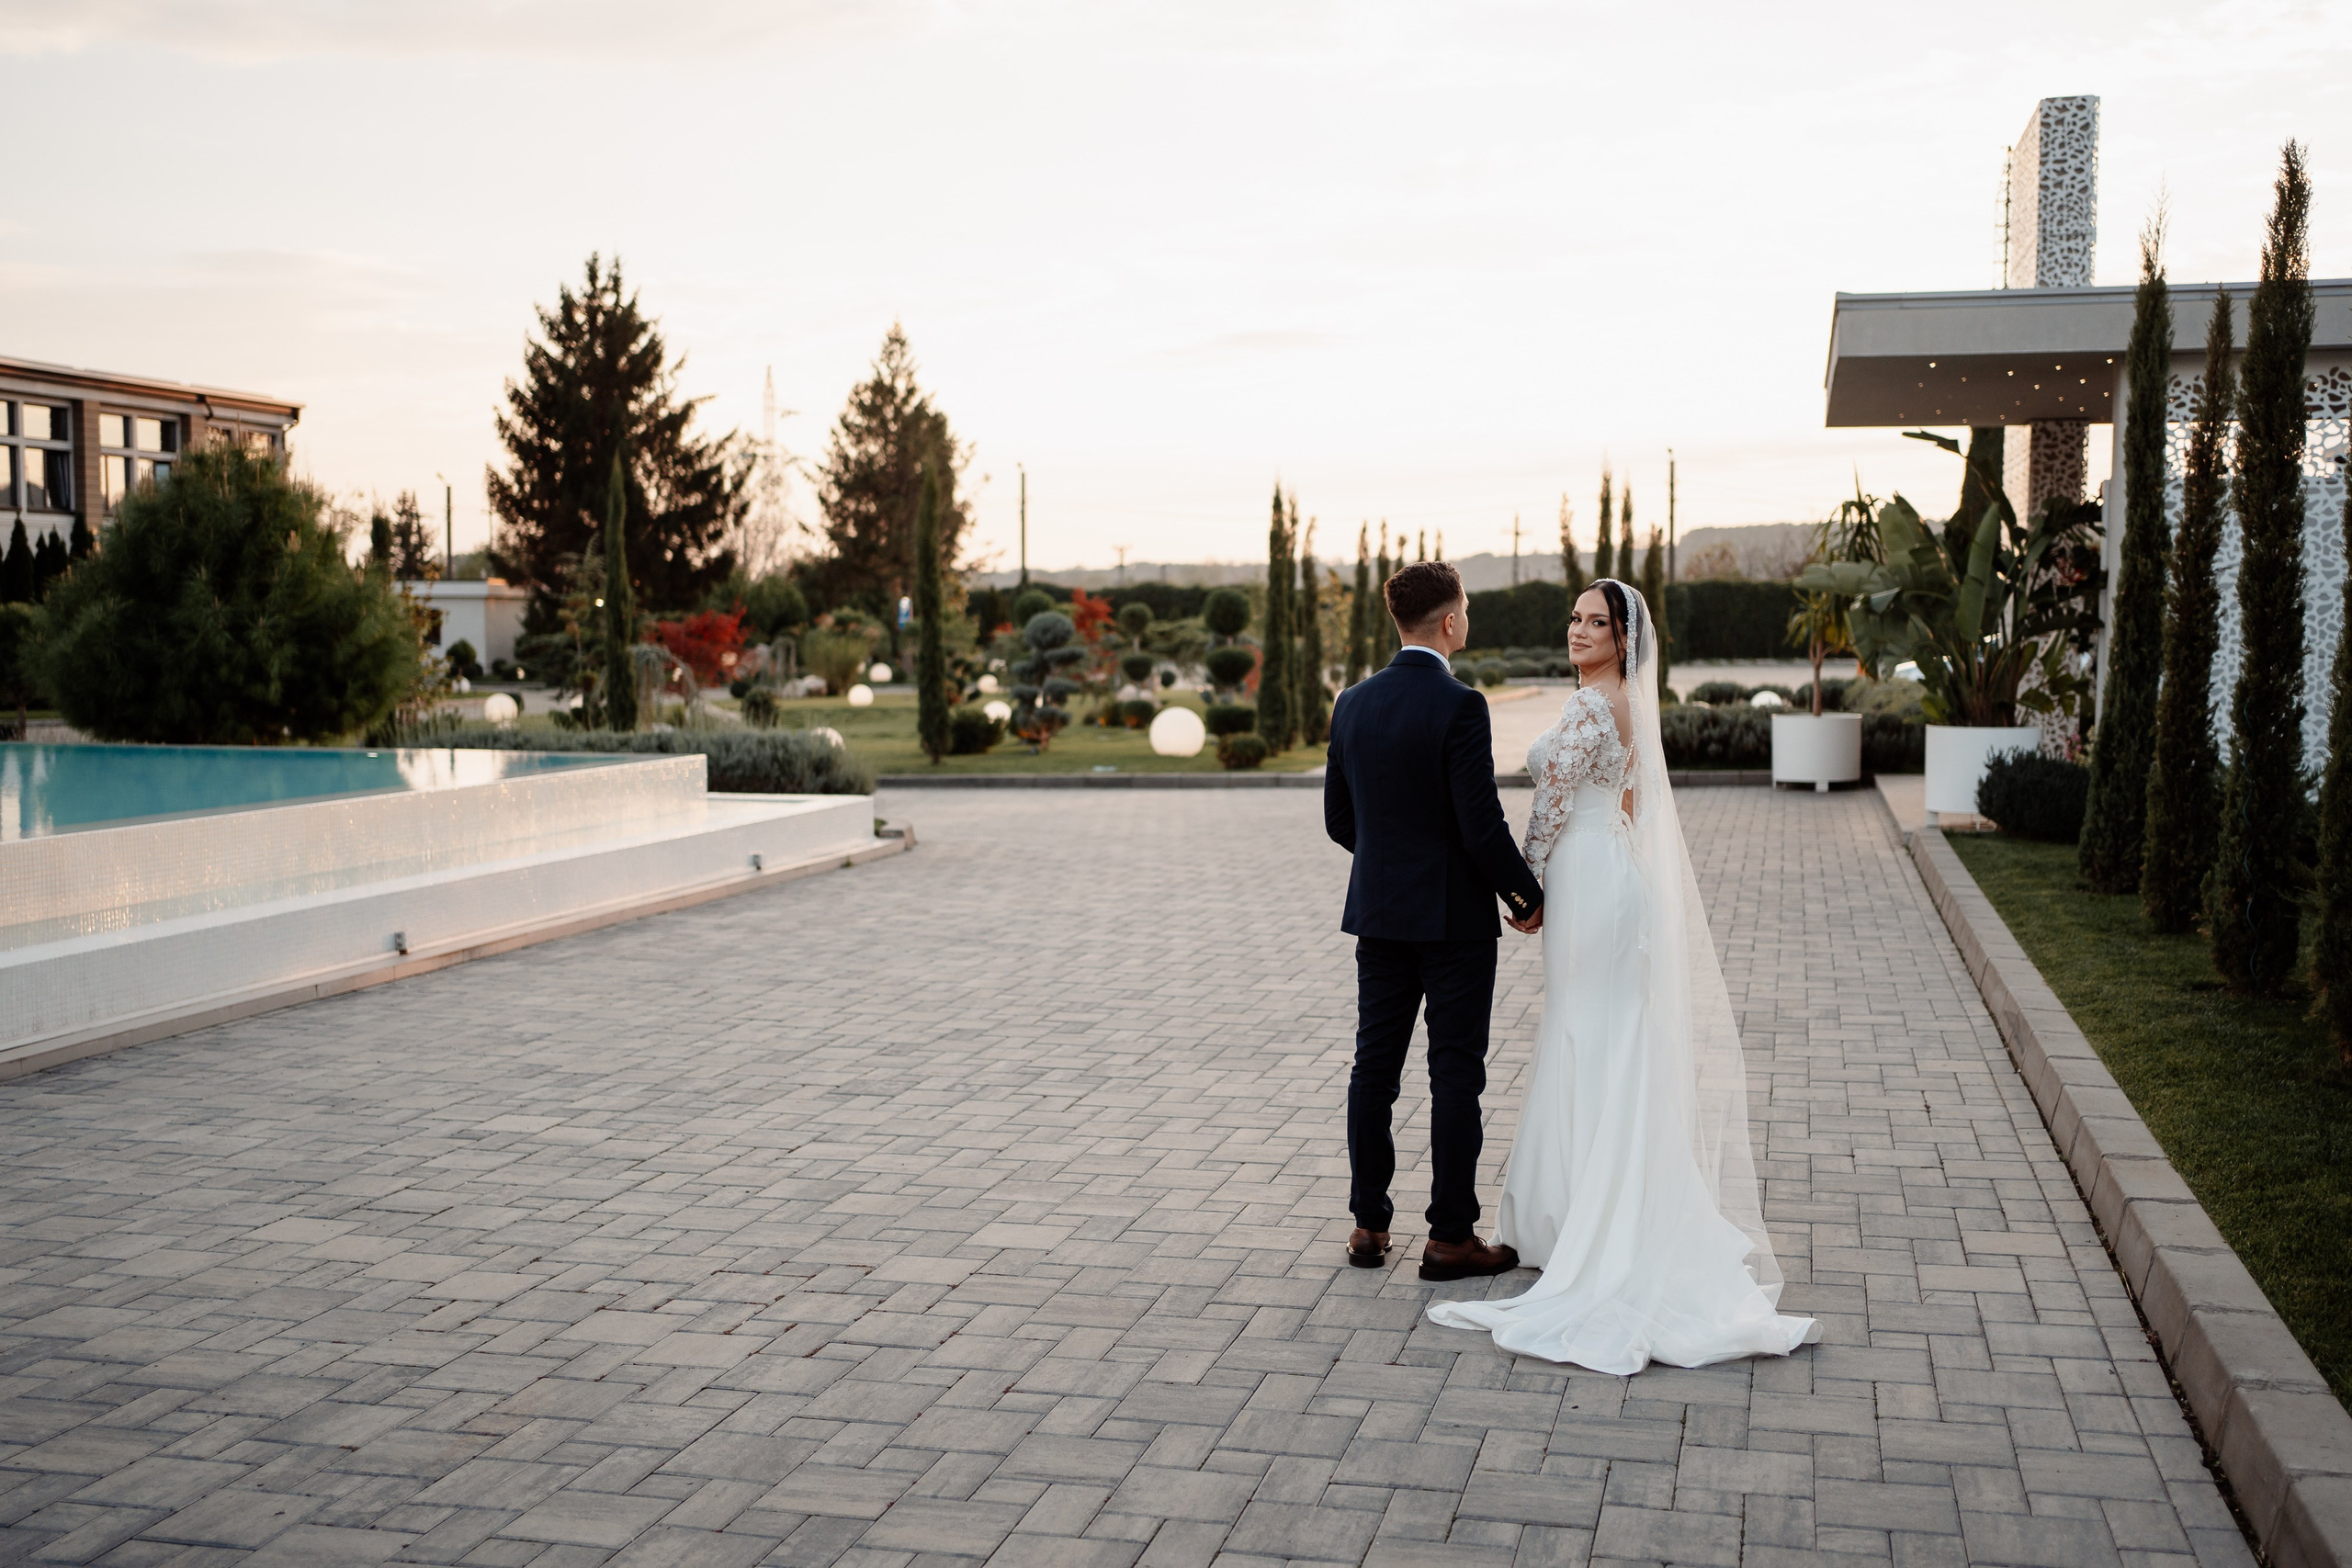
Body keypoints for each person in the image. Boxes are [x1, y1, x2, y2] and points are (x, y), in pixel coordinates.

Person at [1425, 580, 1817, 1372]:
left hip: (1589, 882)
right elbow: (1632, 802)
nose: (1577, 631)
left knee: (1588, 1031)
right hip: (1614, 875)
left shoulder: (1591, 708)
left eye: (1594, 622)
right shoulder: (1625, 704)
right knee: (1601, 1030)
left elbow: (1552, 804)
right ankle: (1587, 1208)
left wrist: (1526, 887)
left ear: (1622, 636)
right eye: (1573, 619)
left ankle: (1591, 1219)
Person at [1323, 560, 1545, 1282]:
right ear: (1449, 620)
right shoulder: (1460, 704)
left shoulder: (1350, 702)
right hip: (1452, 923)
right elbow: (1480, 826)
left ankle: (1367, 1226)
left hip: (1380, 918)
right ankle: (1451, 1237)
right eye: (1467, 610)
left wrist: (1392, 858)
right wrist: (1524, 895)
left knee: (1373, 1071)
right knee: (1454, 1075)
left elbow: (1339, 820)